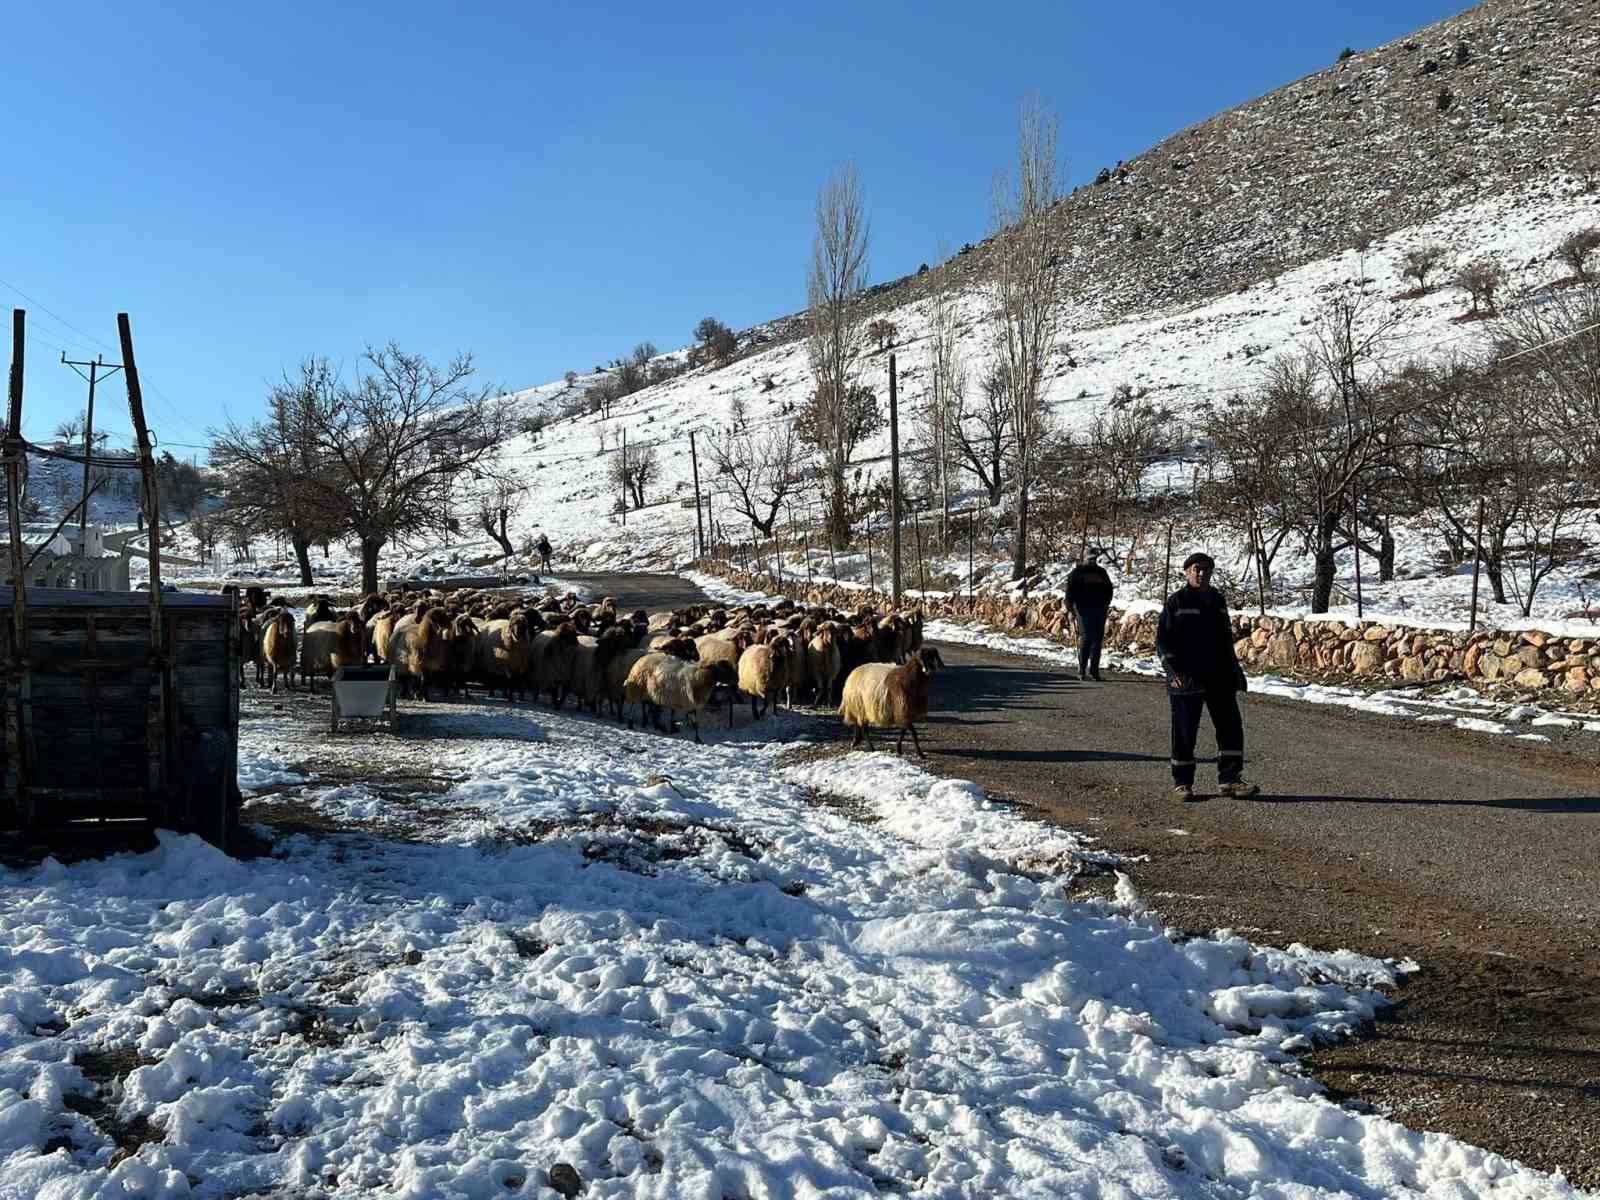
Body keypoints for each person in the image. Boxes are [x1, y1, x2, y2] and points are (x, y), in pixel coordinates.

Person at [1155, 552, 1259, 800]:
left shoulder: (1217, 600)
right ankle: (1182, 783)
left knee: (1230, 728)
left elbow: (1225, 641)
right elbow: (1162, 641)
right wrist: (1172, 672)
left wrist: (1236, 672)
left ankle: (1230, 780)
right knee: (1184, 731)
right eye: (1196, 569)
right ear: (1187, 571)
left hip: (1219, 676)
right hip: (1186, 678)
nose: (1201, 573)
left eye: (1206, 569)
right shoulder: (1176, 602)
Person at [1065, 549, 1114, 681]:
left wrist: (1106, 603)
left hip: (1099, 609)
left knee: (1097, 640)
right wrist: (1070, 610)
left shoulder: (1101, 572)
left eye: (1094, 558)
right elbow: (1069, 593)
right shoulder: (1077, 573)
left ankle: (1094, 671)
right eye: (1090, 558)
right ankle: (1082, 670)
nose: (1092, 561)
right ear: (1084, 558)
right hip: (1082, 609)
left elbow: (1109, 589)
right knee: (1087, 637)